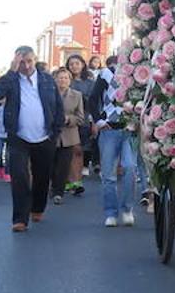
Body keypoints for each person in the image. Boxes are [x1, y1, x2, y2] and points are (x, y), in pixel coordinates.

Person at [0, 47, 64, 233]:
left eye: (29, 61)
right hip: (19, 137)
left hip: (45, 136)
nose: (26, 65)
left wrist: (55, 131)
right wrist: (11, 71)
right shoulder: (12, 80)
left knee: (42, 176)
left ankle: (38, 208)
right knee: (19, 177)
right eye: (22, 62)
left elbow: (57, 105)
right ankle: (20, 219)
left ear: (35, 60)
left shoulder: (47, 79)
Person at [91, 54, 137, 227]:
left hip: (129, 129)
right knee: (108, 174)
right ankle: (111, 212)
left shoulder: (136, 75)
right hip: (109, 130)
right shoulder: (105, 74)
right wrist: (98, 120)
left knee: (130, 167)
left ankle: (127, 209)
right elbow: (93, 98)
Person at [50, 68, 86, 205]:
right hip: (51, 134)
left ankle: (59, 192)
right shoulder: (49, 94)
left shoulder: (77, 95)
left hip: (69, 135)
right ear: (55, 80)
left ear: (70, 80)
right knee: (51, 164)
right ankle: (53, 187)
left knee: (64, 166)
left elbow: (81, 118)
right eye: (60, 78)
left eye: (65, 78)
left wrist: (68, 119)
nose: (62, 80)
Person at [64, 54, 95, 192]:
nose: (74, 66)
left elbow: (94, 103)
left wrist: (94, 121)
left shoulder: (89, 83)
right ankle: (67, 180)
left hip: (84, 120)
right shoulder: (65, 81)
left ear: (82, 64)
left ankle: (77, 181)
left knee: (78, 151)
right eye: (71, 64)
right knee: (67, 152)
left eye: (77, 63)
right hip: (67, 121)